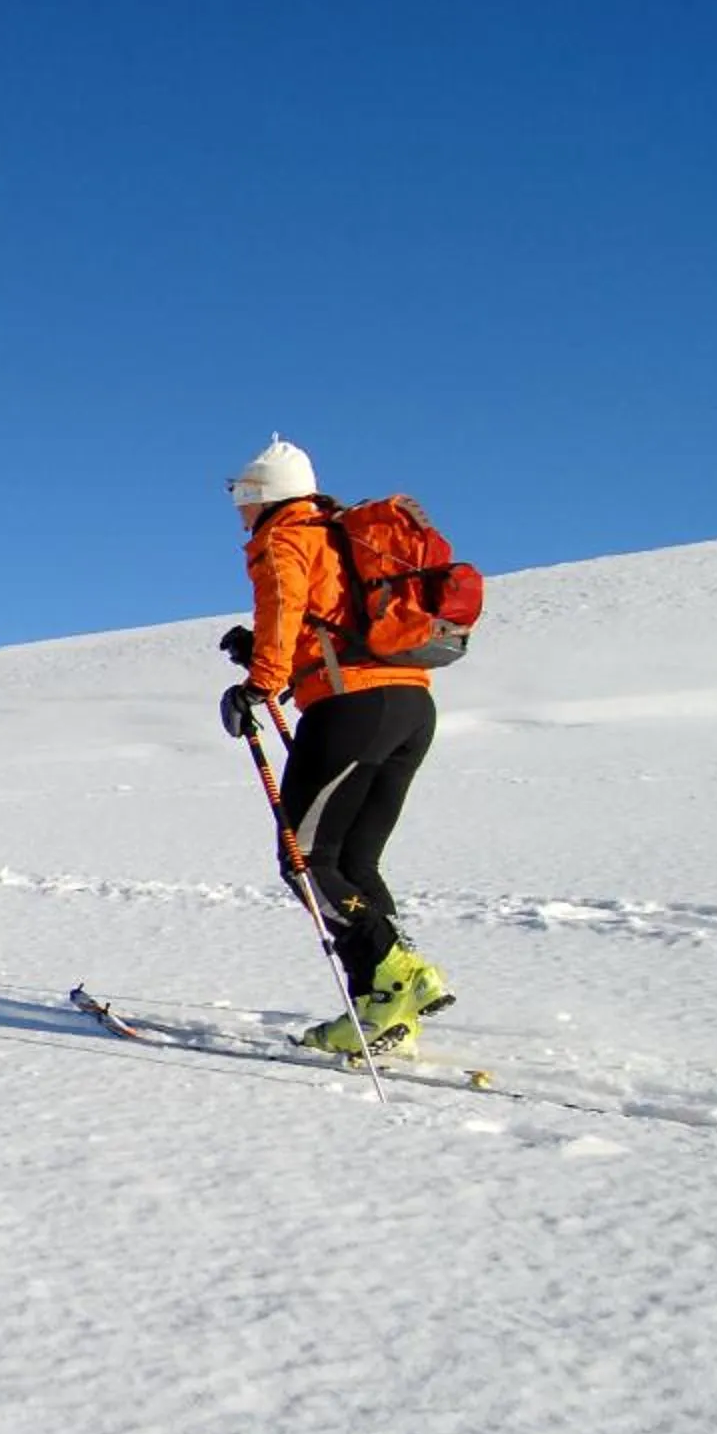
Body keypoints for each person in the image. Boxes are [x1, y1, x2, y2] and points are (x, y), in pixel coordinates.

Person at [218, 434, 450, 1055]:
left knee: (306, 859)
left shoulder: (284, 535)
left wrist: (258, 683)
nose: (238, 507)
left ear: (267, 495)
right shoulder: (341, 534)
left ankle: (398, 973)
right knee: (352, 863)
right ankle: (382, 1003)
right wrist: (277, 657)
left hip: (351, 708)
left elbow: (286, 604)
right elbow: (330, 624)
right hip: (410, 704)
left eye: (242, 493)